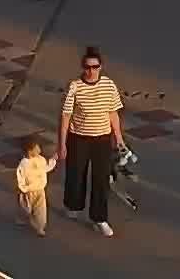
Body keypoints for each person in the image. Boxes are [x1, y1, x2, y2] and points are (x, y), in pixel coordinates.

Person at [57, 46, 125, 237]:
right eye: (87, 67)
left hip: (102, 139)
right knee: (76, 174)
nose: (91, 71)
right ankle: (73, 205)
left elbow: (113, 113)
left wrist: (118, 138)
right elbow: (65, 116)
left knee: (101, 179)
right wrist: (62, 144)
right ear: (82, 67)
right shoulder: (75, 86)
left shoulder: (109, 85)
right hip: (78, 138)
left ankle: (99, 218)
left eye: (95, 67)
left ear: (100, 67)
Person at [16, 136, 56, 236]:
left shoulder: (41, 159)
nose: (39, 149)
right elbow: (20, 177)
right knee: (26, 208)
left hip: (40, 190)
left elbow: (45, 168)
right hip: (28, 191)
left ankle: (39, 227)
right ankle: (23, 218)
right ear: (30, 151)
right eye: (37, 148)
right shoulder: (23, 164)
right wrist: (23, 189)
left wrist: (53, 161)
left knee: (40, 210)